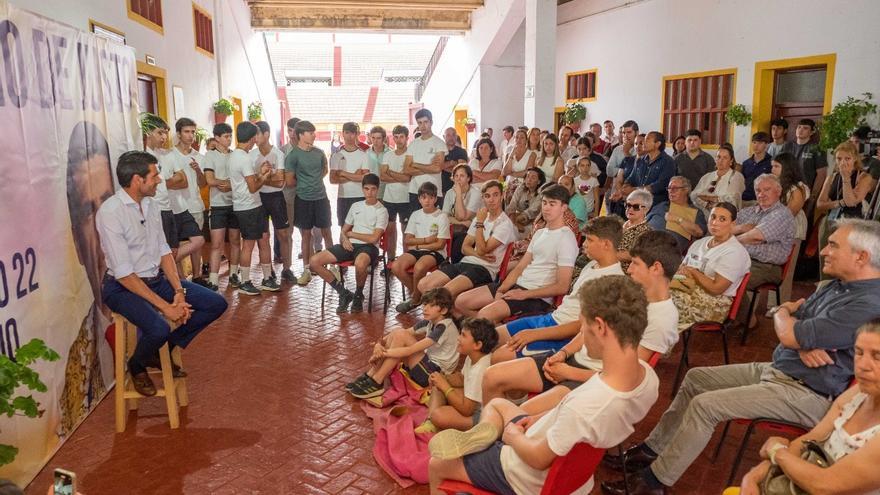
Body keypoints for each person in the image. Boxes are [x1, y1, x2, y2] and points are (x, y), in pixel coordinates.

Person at [600, 218, 880, 495]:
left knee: (705, 406)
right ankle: (652, 449)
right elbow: (789, 319)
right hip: (782, 368)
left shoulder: (867, 303)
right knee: (696, 378)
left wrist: (790, 324)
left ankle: (652, 484)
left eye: (832, 245)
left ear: (861, 257)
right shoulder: (834, 286)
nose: (823, 251)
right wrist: (794, 328)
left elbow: (789, 329)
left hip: (807, 391)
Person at [427, 275, 659, 495]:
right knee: (498, 404)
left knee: (437, 464)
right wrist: (539, 418)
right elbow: (570, 413)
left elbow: (537, 458)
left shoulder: (583, 406)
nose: (581, 333)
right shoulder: (647, 378)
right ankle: (485, 438)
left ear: (600, 327)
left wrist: (512, 435)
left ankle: (488, 443)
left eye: (583, 325)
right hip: (570, 470)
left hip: (523, 473)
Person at [481, 231, 679, 414]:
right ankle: (493, 432)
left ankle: (501, 438)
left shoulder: (661, 318)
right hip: (573, 362)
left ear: (656, 268)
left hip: (593, 382)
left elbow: (624, 378)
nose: (630, 269)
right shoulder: (631, 292)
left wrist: (570, 372)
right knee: (492, 376)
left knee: (516, 417)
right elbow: (586, 331)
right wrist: (563, 353)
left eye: (635, 263)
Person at [96, 151, 228, 396]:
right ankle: (136, 365)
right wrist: (166, 308)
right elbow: (124, 273)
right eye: (155, 175)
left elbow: (164, 251)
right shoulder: (110, 212)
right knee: (158, 327)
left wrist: (178, 291)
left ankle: (163, 348)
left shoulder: (151, 205)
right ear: (138, 180)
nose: (159, 179)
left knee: (216, 303)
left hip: (156, 280)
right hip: (122, 288)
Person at [734, 320, 880, 495]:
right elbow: (811, 439)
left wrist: (777, 453)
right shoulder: (858, 394)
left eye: (877, 356)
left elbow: (824, 485)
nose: (862, 366)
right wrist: (756, 474)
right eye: (859, 352)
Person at [490, 216, 625, 364]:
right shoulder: (592, 264)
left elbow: (581, 327)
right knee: (490, 338)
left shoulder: (613, 281)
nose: (584, 244)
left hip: (565, 335)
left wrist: (534, 334)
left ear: (606, 244)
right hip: (552, 319)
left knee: (499, 357)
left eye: (590, 240)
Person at [455, 185, 578, 323]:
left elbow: (563, 286)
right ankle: (494, 329)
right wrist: (502, 290)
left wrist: (524, 294)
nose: (546, 208)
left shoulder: (566, 238)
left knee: (484, 315)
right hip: (518, 286)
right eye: (544, 203)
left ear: (564, 207)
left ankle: (493, 331)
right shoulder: (539, 232)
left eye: (552, 204)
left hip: (536, 297)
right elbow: (520, 267)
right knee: (461, 302)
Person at [347, 287, 459, 399]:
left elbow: (410, 350)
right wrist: (378, 345)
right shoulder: (430, 322)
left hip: (435, 375)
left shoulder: (443, 327)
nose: (425, 309)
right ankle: (371, 375)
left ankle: (377, 380)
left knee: (401, 336)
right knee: (397, 332)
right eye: (425, 304)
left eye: (432, 306)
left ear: (444, 310)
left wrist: (382, 353)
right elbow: (397, 334)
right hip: (427, 366)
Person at [418, 181, 517, 300]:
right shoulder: (479, 217)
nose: (491, 200)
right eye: (487, 196)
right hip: (467, 261)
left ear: (502, 196)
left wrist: (480, 223)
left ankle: (444, 316)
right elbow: (464, 248)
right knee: (423, 285)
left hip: (485, 269)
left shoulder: (504, 224)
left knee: (444, 293)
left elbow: (482, 249)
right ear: (483, 198)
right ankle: (444, 315)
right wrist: (479, 255)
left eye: (495, 195)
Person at [310, 173, 388, 313]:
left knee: (360, 263)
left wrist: (351, 234)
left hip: (369, 248)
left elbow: (373, 238)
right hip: (350, 245)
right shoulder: (356, 206)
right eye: (366, 189)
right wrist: (345, 239)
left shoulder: (382, 210)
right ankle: (344, 293)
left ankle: (358, 294)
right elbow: (343, 231)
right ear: (362, 189)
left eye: (373, 189)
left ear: (377, 189)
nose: (369, 192)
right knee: (314, 261)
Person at [670, 203, 751, 330]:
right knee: (652, 291)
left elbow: (716, 288)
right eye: (713, 217)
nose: (715, 222)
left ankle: (653, 346)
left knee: (661, 303)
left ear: (733, 224)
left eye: (722, 219)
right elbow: (682, 269)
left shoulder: (735, 252)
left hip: (714, 304)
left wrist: (693, 272)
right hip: (687, 289)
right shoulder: (699, 243)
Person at [732, 174, 795, 328]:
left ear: (778, 192)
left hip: (767, 267)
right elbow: (724, 228)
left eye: (766, 190)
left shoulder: (782, 214)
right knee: (714, 272)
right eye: (758, 190)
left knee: (730, 278)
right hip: (742, 260)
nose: (761, 194)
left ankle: (748, 321)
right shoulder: (749, 212)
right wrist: (740, 228)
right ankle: (728, 316)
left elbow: (756, 237)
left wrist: (730, 241)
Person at [416, 317, 499, 434]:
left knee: (439, 416)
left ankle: (434, 419)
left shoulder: (481, 369)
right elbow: (462, 378)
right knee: (439, 383)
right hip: (471, 402)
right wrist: (443, 379)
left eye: (463, 335)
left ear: (477, 345)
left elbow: (467, 410)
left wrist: (445, 386)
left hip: (481, 415)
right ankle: (431, 422)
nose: (458, 338)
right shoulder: (473, 356)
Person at [228, 121, 278, 295]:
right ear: (252, 138)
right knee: (248, 245)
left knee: (264, 239)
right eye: (255, 137)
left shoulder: (236, 155)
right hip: (247, 207)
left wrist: (259, 173)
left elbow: (246, 180)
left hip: (253, 205)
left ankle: (267, 278)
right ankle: (245, 281)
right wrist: (264, 176)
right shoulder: (243, 158)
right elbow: (253, 187)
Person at [284, 120, 334, 286]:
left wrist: (313, 181)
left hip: (321, 198)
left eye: (314, 132)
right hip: (303, 200)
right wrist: (305, 183)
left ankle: (333, 267)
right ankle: (307, 270)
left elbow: (324, 170)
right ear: (301, 135)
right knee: (306, 235)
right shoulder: (292, 156)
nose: (314, 135)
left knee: (327, 232)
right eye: (310, 133)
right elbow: (289, 181)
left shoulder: (319, 153)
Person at [816, 141, 877, 277]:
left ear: (855, 159)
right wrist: (839, 203)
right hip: (831, 221)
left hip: (852, 223)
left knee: (846, 263)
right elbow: (820, 204)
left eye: (847, 158)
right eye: (839, 158)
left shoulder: (864, 176)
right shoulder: (831, 177)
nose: (843, 162)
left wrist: (846, 178)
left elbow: (851, 202)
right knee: (826, 262)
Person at [393, 182, 450, 314]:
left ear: (435, 199)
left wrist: (417, 243)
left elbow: (440, 244)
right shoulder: (415, 214)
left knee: (419, 267)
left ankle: (414, 299)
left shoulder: (442, 216)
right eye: (424, 197)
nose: (427, 201)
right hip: (417, 249)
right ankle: (419, 297)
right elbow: (407, 240)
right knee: (396, 266)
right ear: (419, 199)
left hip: (435, 252)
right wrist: (425, 240)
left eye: (430, 197)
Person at [160, 118, 206, 280]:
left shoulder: (199, 156)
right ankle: (179, 277)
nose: (190, 135)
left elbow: (203, 184)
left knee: (197, 243)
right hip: (175, 206)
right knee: (176, 244)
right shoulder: (169, 155)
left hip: (195, 204)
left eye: (193, 132)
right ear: (178, 134)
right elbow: (170, 181)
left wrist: (199, 171)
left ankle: (197, 275)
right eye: (186, 131)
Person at [251, 121, 292, 282]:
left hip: (276, 197)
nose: (255, 138)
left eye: (257, 134)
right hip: (259, 198)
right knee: (263, 236)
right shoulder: (252, 155)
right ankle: (268, 272)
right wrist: (269, 177)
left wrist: (261, 177)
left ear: (266, 134)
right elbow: (252, 180)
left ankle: (287, 268)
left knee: (283, 234)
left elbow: (281, 180)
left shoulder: (278, 154)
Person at [203, 123, 239, 290]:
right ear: (217, 138)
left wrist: (231, 185)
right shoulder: (210, 156)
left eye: (230, 136)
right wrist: (226, 183)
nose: (229, 139)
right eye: (226, 136)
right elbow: (210, 181)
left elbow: (240, 180)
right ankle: (213, 280)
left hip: (235, 203)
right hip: (218, 205)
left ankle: (234, 275)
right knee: (216, 243)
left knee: (234, 241)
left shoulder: (234, 155)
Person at [771, 152, 809, 304]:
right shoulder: (774, 183)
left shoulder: (798, 188)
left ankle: (780, 304)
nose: (772, 169)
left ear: (787, 168)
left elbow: (790, 212)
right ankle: (770, 303)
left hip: (792, 229)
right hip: (774, 227)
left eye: (776, 166)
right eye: (772, 166)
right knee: (774, 268)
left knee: (786, 270)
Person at [330, 121, 371, 234]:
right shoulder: (337, 155)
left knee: (361, 229)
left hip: (360, 196)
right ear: (342, 133)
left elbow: (365, 178)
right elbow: (332, 179)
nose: (350, 136)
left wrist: (343, 173)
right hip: (343, 197)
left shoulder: (363, 154)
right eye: (347, 132)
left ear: (357, 134)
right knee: (344, 230)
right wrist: (355, 175)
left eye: (352, 133)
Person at [646, 175, 706, 254]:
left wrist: (677, 219)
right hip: (645, 243)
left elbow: (699, 232)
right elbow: (644, 222)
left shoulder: (695, 211)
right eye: (669, 188)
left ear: (686, 190)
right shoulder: (661, 206)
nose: (671, 191)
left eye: (675, 188)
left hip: (666, 252)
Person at [380, 125, 414, 261]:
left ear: (406, 138)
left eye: (401, 137)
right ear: (392, 138)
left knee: (406, 231)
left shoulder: (410, 155)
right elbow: (382, 176)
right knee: (390, 230)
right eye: (396, 137)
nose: (398, 140)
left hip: (406, 198)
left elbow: (408, 178)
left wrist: (391, 173)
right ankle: (391, 260)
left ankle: (406, 260)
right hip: (389, 198)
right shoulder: (388, 155)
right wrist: (399, 175)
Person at [406, 109, 447, 213]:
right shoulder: (413, 144)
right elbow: (406, 169)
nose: (423, 126)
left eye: (425, 122)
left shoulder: (439, 143)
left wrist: (415, 164)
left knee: (433, 226)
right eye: (420, 123)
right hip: (415, 192)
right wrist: (429, 167)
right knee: (415, 225)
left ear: (431, 122)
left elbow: (437, 168)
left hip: (434, 192)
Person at [690, 142, 746, 216]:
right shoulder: (707, 176)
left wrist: (709, 198)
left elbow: (732, 198)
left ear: (731, 161)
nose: (721, 160)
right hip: (705, 214)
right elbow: (694, 195)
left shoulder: (736, 176)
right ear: (715, 159)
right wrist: (706, 204)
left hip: (726, 215)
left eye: (725, 158)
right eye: (718, 157)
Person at [623, 131, 676, 207]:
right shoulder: (640, 160)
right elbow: (631, 178)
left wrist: (635, 190)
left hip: (656, 203)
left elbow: (660, 185)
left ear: (657, 144)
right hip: (637, 201)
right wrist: (625, 188)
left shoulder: (668, 161)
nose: (643, 142)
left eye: (647, 140)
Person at [444, 163, 484, 262]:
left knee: (458, 242)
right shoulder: (449, 193)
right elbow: (445, 216)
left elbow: (462, 216)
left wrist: (458, 193)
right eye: (456, 176)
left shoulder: (475, 193)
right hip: (457, 228)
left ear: (468, 178)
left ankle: (455, 268)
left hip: (473, 230)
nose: (458, 179)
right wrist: (461, 223)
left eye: (462, 176)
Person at [792, 118, 828, 216]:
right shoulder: (788, 146)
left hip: (806, 194)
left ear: (812, 132)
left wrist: (813, 196)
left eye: (805, 128)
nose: (801, 130)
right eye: (799, 127)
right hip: (787, 193)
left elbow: (821, 174)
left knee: (803, 224)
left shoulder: (816, 148)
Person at [618, 190, 654, 272]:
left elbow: (634, 255)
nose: (630, 209)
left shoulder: (646, 231)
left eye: (636, 207)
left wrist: (608, 254)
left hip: (625, 273)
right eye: (628, 205)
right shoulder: (621, 224)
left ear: (646, 209)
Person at [507, 168, 546, 236]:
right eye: (527, 176)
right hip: (516, 219)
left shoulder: (541, 194)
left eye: (533, 177)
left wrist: (514, 221)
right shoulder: (521, 188)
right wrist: (514, 222)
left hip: (532, 223)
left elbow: (531, 212)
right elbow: (512, 205)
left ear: (539, 181)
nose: (529, 179)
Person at [740, 132, 773, 207]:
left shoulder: (771, 162)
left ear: (766, 144)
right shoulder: (746, 163)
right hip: (744, 199)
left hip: (761, 200)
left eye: (760, 143)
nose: (756, 146)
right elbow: (742, 181)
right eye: (754, 142)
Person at [501, 128, 537, 195]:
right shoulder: (509, 154)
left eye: (522, 137)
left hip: (524, 185)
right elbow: (504, 172)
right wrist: (511, 154)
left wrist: (511, 173)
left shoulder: (532, 154)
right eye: (516, 137)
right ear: (514, 139)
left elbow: (526, 173)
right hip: (508, 185)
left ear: (526, 140)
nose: (519, 140)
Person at [606, 120, 638, 192]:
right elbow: (609, 171)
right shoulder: (617, 149)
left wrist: (626, 152)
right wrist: (624, 171)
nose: (626, 136)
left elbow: (637, 172)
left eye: (629, 132)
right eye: (623, 133)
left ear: (636, 133)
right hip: (616, 192)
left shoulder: (641, 149)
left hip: (633, 192)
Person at [441, 127, 469, 195]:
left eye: (453, 135)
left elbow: (461, 170)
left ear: (456, 137)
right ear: (444, 137)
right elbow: (436, 167)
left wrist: (443, 166)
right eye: (448, 135)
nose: (451, 137)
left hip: (458, 189)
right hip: (441, 190)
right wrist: (452, 163)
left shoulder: (462, 152)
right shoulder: (439, 151)